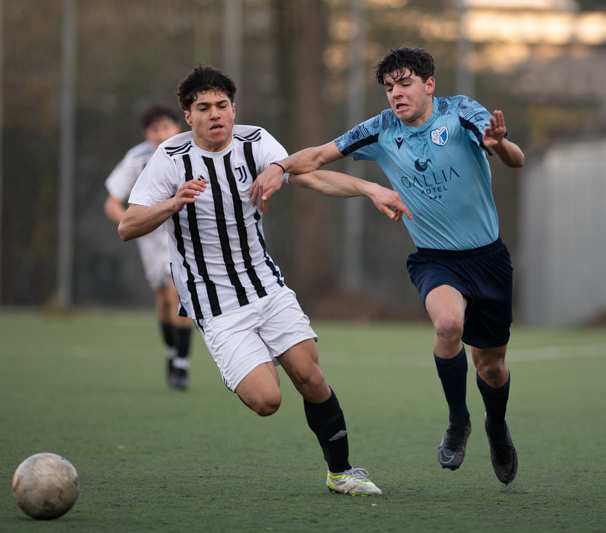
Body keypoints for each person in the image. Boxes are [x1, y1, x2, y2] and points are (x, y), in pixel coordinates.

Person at [118, 65, 410, 495]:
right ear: (188, 115)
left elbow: (311, 175)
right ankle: (241, 359)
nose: (215, 114)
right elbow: (127, 226)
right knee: (267, 401)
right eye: (204, 107)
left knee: (310, 377)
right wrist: (172, 203)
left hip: (266, 286)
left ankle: (342, 472)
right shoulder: (170, 158)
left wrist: (370, 190)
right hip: (214, 302)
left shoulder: (255, 142)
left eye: (222, 105)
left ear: (234, 109)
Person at [250, 47, 525, 485]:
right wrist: (280, 166)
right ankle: (458, 420)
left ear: (429, 85)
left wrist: (501, 144)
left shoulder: (461, 113)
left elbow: (516, 158)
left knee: (491, 366)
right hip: (435, 260)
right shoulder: (380, 128)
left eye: (405, 83)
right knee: (448, 324)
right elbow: (316, 158)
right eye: (389, 87)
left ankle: (497, 426)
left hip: (488, 259)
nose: (396, 94)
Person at [104, 102, 194, 390]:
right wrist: (135, 226)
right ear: (147, 133)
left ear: (177, 127)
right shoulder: (138, 158)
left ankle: (181, 364)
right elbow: (112, 203)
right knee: (164, 298)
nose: (161, 134)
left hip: (182, 234)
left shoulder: (191, 150)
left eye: (166, 127)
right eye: (154, 129)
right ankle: (171, 352)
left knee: (179, 293)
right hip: (151, 238)